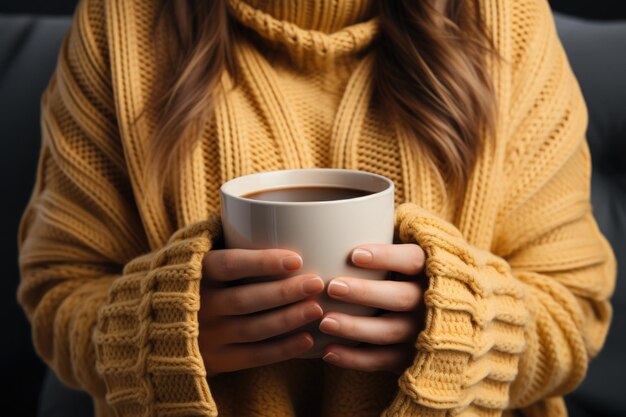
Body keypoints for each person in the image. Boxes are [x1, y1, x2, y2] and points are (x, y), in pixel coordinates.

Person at [17, 0, 616, 416]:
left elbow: (575, 311)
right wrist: (157, 332)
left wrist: (460, 329)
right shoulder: (116, 26)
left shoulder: (505, 25)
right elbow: (57, 296)